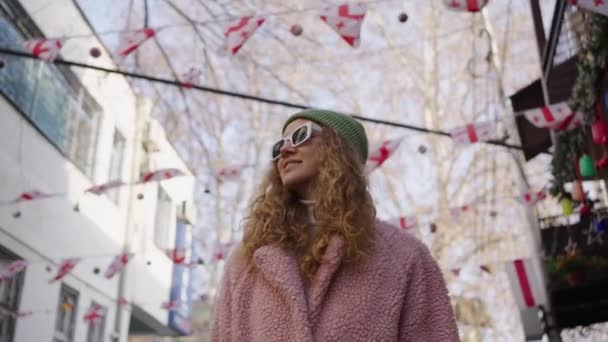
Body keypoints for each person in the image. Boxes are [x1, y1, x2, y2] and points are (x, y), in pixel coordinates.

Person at [211, 109, 459, 341]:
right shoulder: (246, 262)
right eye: (279, 146)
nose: (285, 149)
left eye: (300, 136)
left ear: (339, 149)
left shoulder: (405, 257)